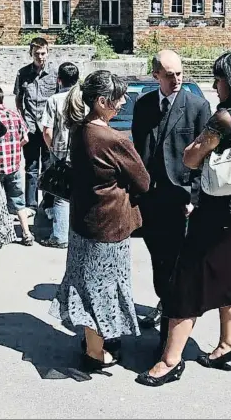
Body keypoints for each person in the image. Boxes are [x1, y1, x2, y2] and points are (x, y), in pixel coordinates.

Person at [136, 51, 231, 387]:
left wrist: (196, 149)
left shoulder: (224, 118)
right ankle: (227, 347)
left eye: (218, 78)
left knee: (184, 286)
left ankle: (169, 361)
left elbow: (192, 158)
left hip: (213, 212)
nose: (214, 85)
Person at [49, 70, 150, 372]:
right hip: (108, 227)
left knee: (87, 285)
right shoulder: (112, 138)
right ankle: (95, 354)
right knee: (100, 291)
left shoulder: (80, 129)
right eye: (119, 98)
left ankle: (95, 343)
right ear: (103, 101)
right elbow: (143, 181)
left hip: (84, 222)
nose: (123, 102)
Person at [131, 50, 211, 357]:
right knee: (158, 261)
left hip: (181, 201)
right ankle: (163, 302)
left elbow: (204, 157)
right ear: (156, 76)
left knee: (176, 268)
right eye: (168, 75)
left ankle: (167, 338)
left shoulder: (197, 106)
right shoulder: (144, 106)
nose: (176, 79)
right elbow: (139, 150)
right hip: (152, 200)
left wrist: (194, 197)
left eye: (179, 73)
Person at [13, 37, 57, 212]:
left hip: (48, 127)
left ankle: (48, 203)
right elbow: (18, 99)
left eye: (43, 53)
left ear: (48, 52)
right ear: (30, 53)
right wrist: (23, 121)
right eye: (37, 53)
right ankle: (30, 204)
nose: (40, 57)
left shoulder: (54, 73)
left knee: (48, 166)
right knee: (31, 167)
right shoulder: (23, 73)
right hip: (30, 128)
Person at [40, 62, 80, 248]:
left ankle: (60, 236)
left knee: (61, 195)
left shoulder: (54, 100)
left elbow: (47, 131)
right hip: (83, 150)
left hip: (61, 151)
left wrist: (52, 150)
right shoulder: (84, 99)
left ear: (59, 79)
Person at [0, 85, 34, 246]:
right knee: (18, 201)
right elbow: (26, 138)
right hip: (13, 165)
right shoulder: (14, 114)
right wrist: (15, 147)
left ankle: (0, 234)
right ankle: (26, 233)